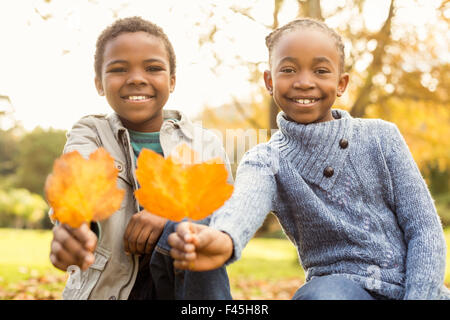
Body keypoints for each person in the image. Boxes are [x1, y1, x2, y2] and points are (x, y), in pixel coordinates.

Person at [168, 18, 450, 300]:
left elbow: (424, 229)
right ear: (269, 81)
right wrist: (224, 237)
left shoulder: (381, 137)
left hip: (415, 290)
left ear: (341, 83)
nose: (304, 82)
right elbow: (244, 206)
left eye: (321, 71)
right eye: (288, 70)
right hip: (337, 290)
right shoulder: (266, 160)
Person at [48, 16, 233, 300]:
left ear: (172, 81)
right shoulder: (90, 133)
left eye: (153, 68)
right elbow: (78, 182)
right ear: (99, 83)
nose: (136, 78)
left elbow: (227, 221)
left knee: (187, 231)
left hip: (183, 286)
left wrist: (168, 215)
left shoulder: (204, 143)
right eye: (119, 69)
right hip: (108, 291)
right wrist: (74, 226)